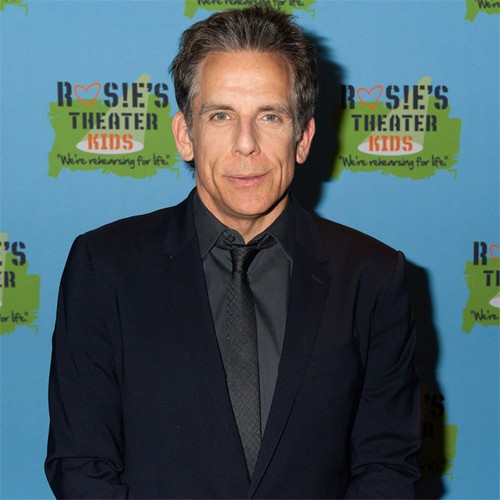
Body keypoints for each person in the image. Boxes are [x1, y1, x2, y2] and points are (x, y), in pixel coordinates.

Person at [45, 6, 421, 499]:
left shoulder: (372, 276)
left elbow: (387, 465)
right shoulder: (104, 267)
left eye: (270, 116)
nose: (247, 144)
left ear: (303, 138)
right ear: (186, 135)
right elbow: (81, 465)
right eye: (221, 116)